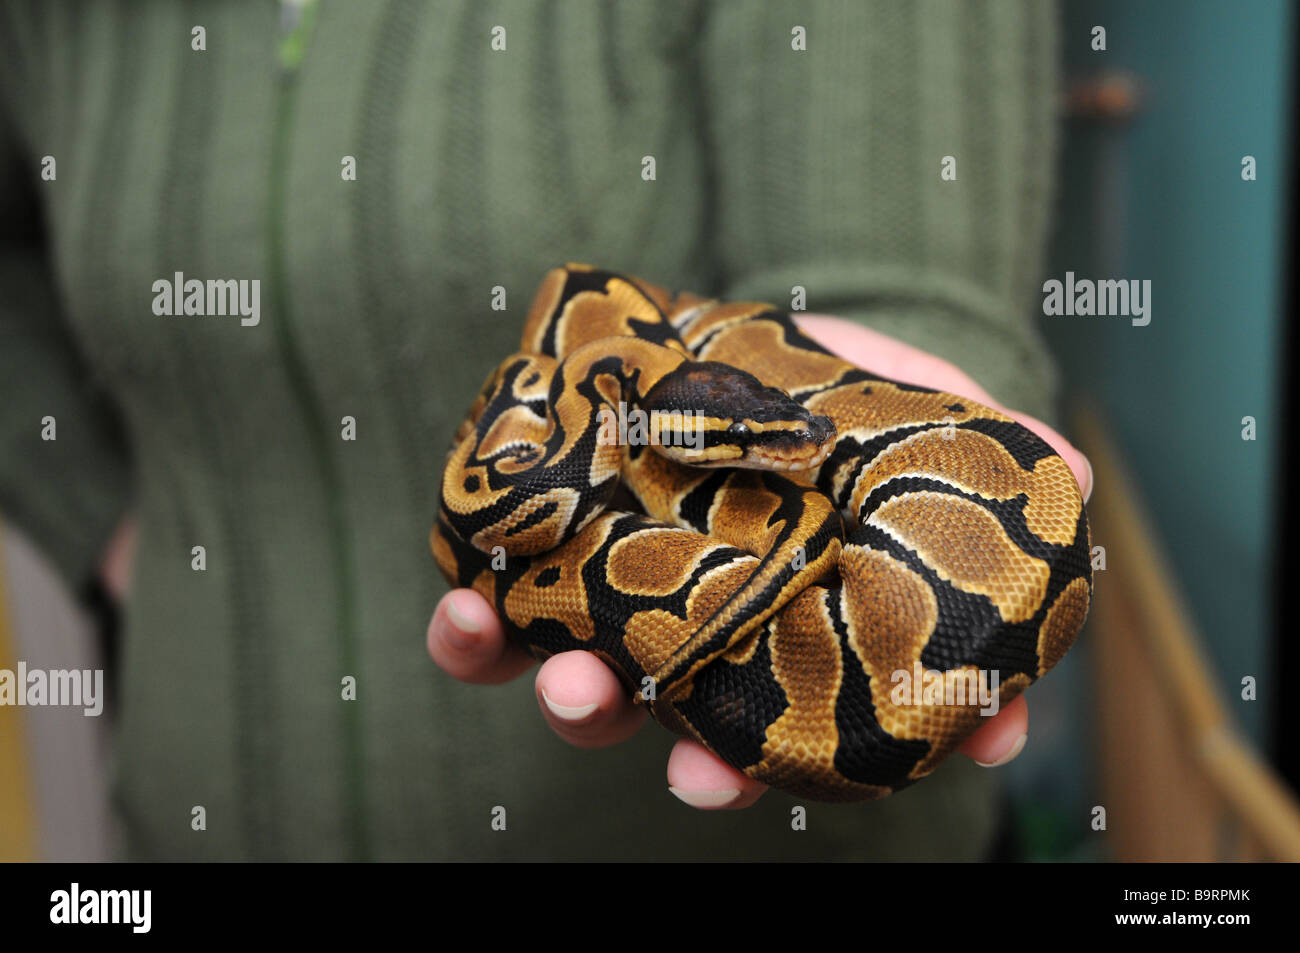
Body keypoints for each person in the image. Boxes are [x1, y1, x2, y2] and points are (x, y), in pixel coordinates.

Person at [0, 0, 1088, 860]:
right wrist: (102, 520)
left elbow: (899, 292)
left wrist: (903, 411)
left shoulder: (601, 390)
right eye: (740, 443)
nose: (777, 443)